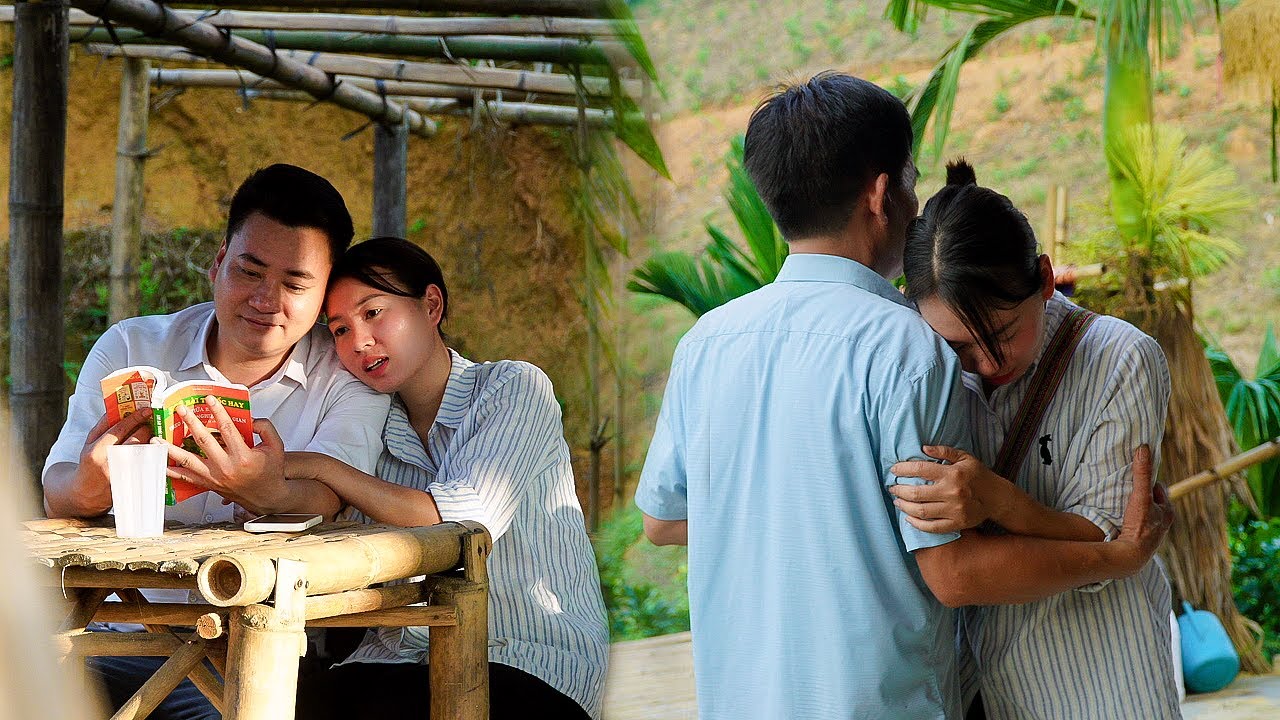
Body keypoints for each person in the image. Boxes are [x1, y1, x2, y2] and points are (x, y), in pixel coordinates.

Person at [635, 72, 1173, 720]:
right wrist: (1115, 557)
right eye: (913, 181)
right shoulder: (908, 350)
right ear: (883, 193)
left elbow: (662, 521)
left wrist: (807, 516)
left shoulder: (704, 344)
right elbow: (954, 575)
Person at [42, 163, 391, 720]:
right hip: (111, 637)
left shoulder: (347, 376)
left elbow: (333, 497)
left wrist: (269, 491)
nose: (265, 299)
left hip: (252, 651)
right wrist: (92, 481)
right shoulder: (133, 345)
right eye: (249, 271)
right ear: (218, 261)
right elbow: (57, 490)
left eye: (296, 284)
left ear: (325, 296)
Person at [889, 160, 1179, 719]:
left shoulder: (1121, 358)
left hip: (1101, 687)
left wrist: (995, 501)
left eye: (1001, 334)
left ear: (1045, 278)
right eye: (960, 346)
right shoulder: (919, 369)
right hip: (976, 690)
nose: (987, 362)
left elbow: (1111, 534)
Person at [288, 237, 608, 720]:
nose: (359, 343)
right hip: (394, 663)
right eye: (339, 330)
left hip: (524, 659)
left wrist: (319, 465)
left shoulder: (513, 388)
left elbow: (461, 527)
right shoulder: (368, 425)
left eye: (373, 313)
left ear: (431, 305)